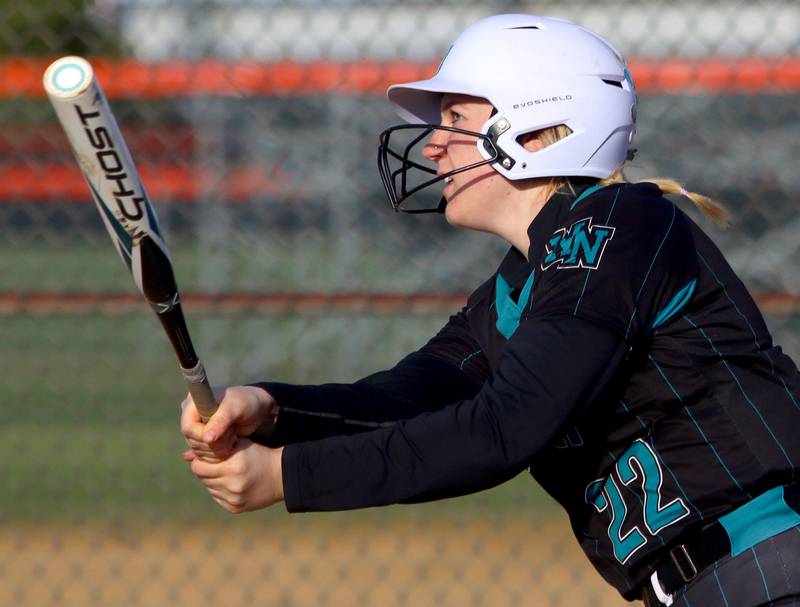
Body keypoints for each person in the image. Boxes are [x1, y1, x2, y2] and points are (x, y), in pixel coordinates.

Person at [180, 14, 800, 606]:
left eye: (455, 118)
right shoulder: (519, 289)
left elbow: (505, 428)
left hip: (773, 565)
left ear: (534, 130)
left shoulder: (616, 225)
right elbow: (405, 400)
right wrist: (271, 411)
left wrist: (291, 476)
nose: (432, 148)